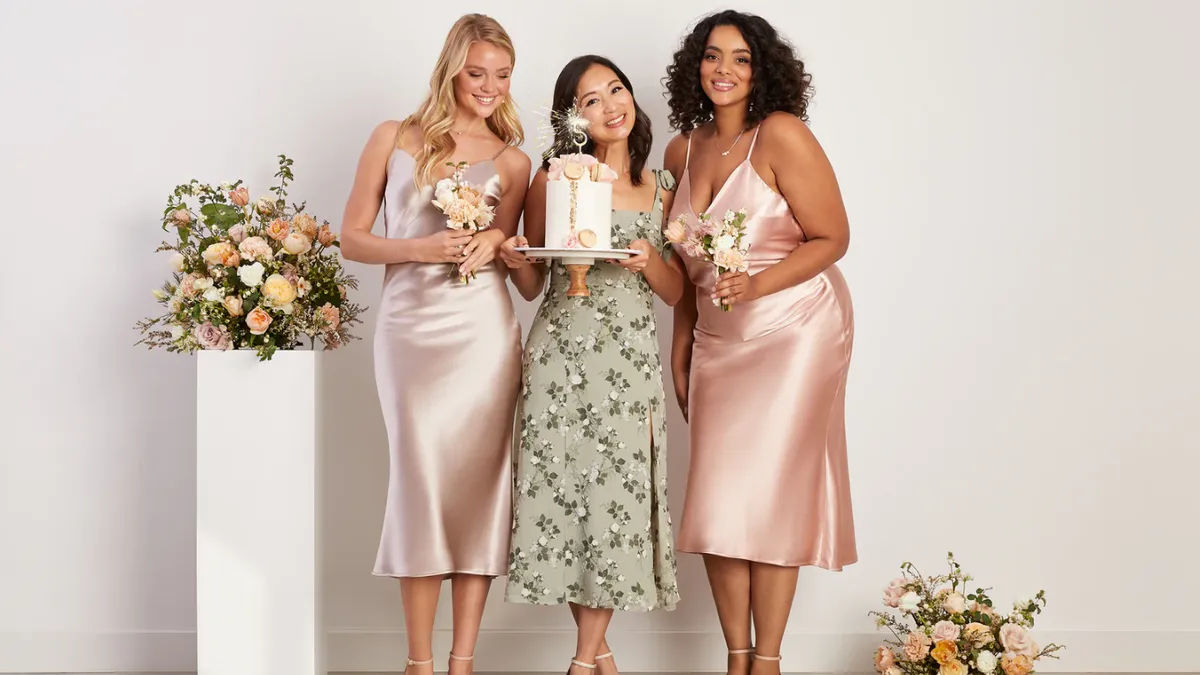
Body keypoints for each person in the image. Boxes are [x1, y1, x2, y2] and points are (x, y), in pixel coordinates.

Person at [661, 10, 857, 674]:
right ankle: (736, 654)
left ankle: (767, 659)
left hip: (796, 331)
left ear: (761, 70)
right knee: (718, 494)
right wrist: (681, 344)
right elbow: (687, 268)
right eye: (712, 57)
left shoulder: (781, 135)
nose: (723, 70)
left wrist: (760, 283)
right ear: (695, 68)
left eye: (740, 59)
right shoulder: (680, 151)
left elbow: (833, 238)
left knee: (772, 493)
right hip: (719, 336)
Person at [338, 13, 531, 675]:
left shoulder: (514, 160)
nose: (489, 86)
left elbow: (517, 264)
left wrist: (498, 242)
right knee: (419, 486)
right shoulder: (394, 138)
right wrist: (419, 248)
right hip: (409, 335)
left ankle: (462, 661)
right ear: (451, 68)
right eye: (477, 72)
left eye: (501, 75)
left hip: (483, 339)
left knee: (479, 491)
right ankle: (417, 663)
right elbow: (352, 238)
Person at [499, 55, 684, 675]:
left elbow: (677, 290)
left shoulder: (660, 187)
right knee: (570, 499)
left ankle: (583, 661)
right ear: (571, 118)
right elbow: (529, 284)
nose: (610, 105)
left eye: (616, 89)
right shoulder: (553, 179)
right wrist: (514, 254)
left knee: (614, 502)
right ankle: (596, 657)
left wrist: (644, 260)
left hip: (629, 359)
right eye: (590, 99)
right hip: (559, 351)